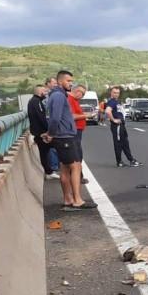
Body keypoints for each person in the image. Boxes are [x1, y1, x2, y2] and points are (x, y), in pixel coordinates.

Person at [42, 70, 96, 210]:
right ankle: (76, 200)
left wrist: (51, 133)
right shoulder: (59, 96)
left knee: (65, 168)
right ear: (60, 81)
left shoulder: (55, 95)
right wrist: (51, 133)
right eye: (68, 81)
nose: (70, 84)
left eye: (71, 81)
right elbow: (55, 118)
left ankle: (68, 199)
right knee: (75, 166)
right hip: (64, 136)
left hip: (62, 136)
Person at [26, 85, 59, 180]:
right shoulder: (36, 102)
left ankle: (48, 171)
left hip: (38, 132)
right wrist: (48, 131)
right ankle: (49, 171)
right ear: (40, 92)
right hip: (40, 133)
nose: (46, 93)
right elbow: (41, 118)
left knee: (44, 152)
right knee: (48, 150)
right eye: (44, 92)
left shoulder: (33, 101)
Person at [104, 86, 141, 167]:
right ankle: (120, 161)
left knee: (125, 143)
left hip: (121, 125)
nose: (116, 94)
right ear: (111, 93)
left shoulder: (117, 102)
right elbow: (107, 111)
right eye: (114, 93)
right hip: (117, 126)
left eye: (117, 93)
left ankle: (131, 160)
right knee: (118, 144)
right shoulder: (111, 102)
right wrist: (113, 120)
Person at [68, 85, 90, 184]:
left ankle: (78, 176)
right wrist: (86, 115)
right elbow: (71, 116)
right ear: (77, 91)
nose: (82, 96)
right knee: (77, 155)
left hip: (77, 131)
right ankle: (77, 177)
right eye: (83, 93)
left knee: (78, 154)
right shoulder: (70, 100)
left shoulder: (75, 101)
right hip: (74, 131)